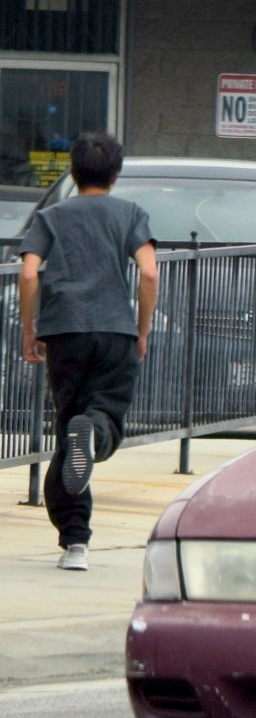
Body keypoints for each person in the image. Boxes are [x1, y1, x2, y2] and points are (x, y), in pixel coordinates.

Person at [18, 132, 158, 572]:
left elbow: (27, 275)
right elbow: (150, 274)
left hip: (65, 333)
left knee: (67, 430)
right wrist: (142, 329)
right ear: (115, 174)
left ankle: (75, 541)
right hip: (115, 329)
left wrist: (30, 330)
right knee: (105, 417)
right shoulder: (130, 213)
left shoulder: (52, 217)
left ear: (73, 172)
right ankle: (94, 433)